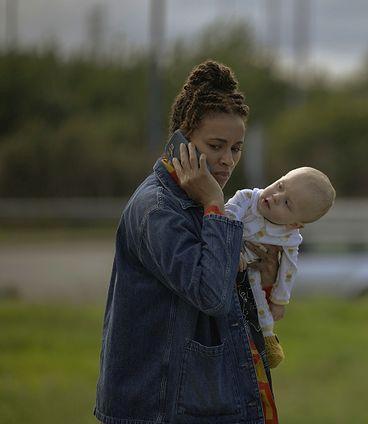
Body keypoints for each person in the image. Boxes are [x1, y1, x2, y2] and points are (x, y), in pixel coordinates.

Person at [94, 59, 281, 424]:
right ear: (182, 141)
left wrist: (263, 275)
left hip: (195, 403)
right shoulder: (159, 210)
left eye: (236, 148)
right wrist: (214, 204)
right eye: (216, 146)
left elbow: (227, 308)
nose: (227, 161)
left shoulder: (198, 202)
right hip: (157, 409)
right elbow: (209, 295)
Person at [225, 167, 336, 368]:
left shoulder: (288, 237)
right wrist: (231, 247)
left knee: (258, 298)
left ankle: (267, 337)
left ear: (295, 224)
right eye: (280, 185)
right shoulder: (248, 199)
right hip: (228, 255)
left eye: (287, 203)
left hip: (252, 273)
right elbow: (228, 215)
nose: (275, 196)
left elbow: (288, 269)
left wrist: (279, 300)